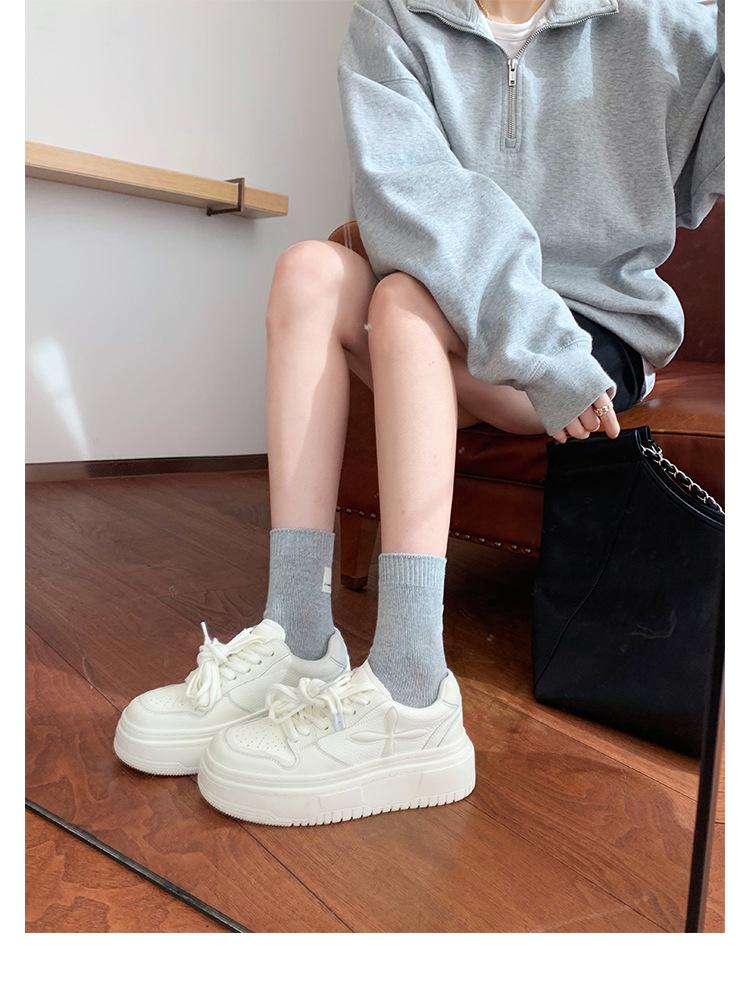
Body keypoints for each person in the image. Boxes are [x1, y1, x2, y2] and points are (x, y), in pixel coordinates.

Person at [114, 0, 724, 826]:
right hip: (464, 302)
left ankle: (413, 693)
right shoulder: (396, 16)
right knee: (308, 272)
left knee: (403, 302)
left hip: (587, 334)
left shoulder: (662, 15)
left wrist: (550, 353)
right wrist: (522, 331)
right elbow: (407, 195)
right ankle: (298, 634)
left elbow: (708, 166)